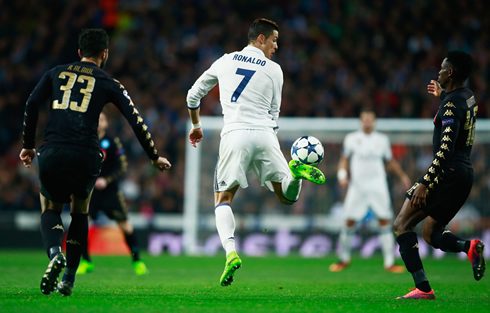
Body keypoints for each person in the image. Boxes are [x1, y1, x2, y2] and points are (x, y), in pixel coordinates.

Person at [19, 29, 171, 296]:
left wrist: (28, 146)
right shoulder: (109, 81)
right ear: (105, 54)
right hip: (86, 155)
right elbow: (135, 119)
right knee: (80, 211)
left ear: (79, 53)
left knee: (50, 208)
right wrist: (153, 155)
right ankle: (68, 279)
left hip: (53, 150)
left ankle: (55, 253)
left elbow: (31, 103)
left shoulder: (55, 73)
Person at [186, 18, 325, 286]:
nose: (276, 45)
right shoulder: (275, 70)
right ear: (259, 39)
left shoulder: (225, 61)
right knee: (286, 197)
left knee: (223, 198)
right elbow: (275, 113)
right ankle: (295, 172)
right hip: (265, 134)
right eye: (273, 39)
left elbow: (193, 96)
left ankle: (230, 253)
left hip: (235, 133)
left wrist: (196, 126)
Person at [393, 50, 485, 300]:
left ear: (451, 72)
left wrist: (425, 182)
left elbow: (445, 148)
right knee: (431, 233)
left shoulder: (451, 105)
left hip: (447, 173)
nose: (439, 71)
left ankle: (423, 289)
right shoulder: (467, 97)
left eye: (443, 68)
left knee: (402, 225)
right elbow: (456, 112)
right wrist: (443, 95)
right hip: (464, 174)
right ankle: (470, 247)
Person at [330, 108, 412, 273]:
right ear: (361, 121)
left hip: (378, 185)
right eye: (364, 118)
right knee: (349, 221)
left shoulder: (382, 140)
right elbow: (344, 160)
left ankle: (389, 262)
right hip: (357, 186)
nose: (367, 121)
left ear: (374, 122)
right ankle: (344, 258)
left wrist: (403, 176)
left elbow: (390, 161)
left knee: (385, 222)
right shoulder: (352, 139)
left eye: (370, 118)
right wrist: (342, 175)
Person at [76, 111, 147, 276]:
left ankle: (137, 261)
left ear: (106, 123)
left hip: (110, 192)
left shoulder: (113, 142)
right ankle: (86, 261)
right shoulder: (84, 141)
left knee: (126, 226)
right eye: (96, 119)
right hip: (89, 192)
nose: (99, 122)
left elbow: (122, 166)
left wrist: (106, 180)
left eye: (102, 119)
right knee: (81, 226)